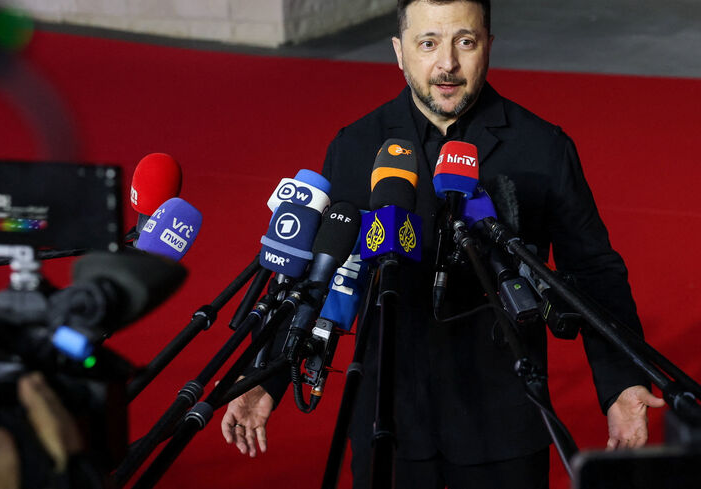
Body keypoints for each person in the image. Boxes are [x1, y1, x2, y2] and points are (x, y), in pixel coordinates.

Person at [222, 0, 665, 487]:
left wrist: (622, 383)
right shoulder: (355, 146)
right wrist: (265, 377)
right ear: (399, 51)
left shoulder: (541, 148)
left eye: (465, 42)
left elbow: (594, 271)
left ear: (488, 46)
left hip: (504, 424)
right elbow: (314, 272)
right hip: (386, 418)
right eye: (428, 43)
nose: (447, 64)